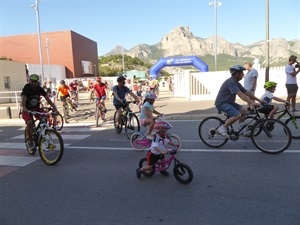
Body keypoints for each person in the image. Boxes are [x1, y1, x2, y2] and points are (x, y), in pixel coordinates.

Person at [215, 65, 264, 138]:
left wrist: (259, 100)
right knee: (237, 115)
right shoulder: (231, 82)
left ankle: (240, 128)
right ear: (236, 74)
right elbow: (240, 94)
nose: (243, 75)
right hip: (222, 103)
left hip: (229, 102)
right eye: (242, 73)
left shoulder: (236, 82)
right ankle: (223, 128)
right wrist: (252, 102)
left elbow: (246, 92)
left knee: (244, 111)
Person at [21, 74, 58, 152]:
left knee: (45, 117)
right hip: (27, 109)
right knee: (30, 123)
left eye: (35, 81)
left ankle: (41, 134)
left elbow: (48, 100)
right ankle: (31, 142)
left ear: (38, 82)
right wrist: (27, 111)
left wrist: (55, 109)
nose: (34, 83)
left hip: (37, 108)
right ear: (29, 81)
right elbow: (22, 104)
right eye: (32, 81)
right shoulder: (26, 89)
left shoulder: (39, 89)